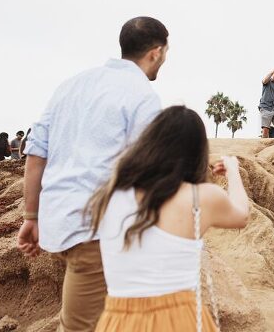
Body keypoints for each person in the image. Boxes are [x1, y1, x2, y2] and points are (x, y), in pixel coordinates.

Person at [16, 16, 169, 332]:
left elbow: (35, 153)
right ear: (156, 52)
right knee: (79, 327)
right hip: (96, 229)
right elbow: (150, 169)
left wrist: (31, 216)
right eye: (165, 53)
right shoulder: (142, 95)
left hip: (59, 222)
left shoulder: (72, 84)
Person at [87, 106, 250, 332]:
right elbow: (242, 214)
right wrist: (233, 170)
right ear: (196, 154)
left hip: (117, 320)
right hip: (176, 318)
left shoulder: (108, 194)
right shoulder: (198, 197)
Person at [259, 67, 274, 138]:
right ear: (272, 74)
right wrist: (272, 71)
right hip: (265, 108)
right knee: (266, 129)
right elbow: (264, 81)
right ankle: (264, 145)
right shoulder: (267, 82)